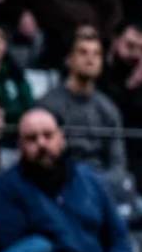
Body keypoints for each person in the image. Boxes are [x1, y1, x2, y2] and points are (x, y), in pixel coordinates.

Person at [0, 108, 133, 252]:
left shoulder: (91, 181)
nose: (42, 144)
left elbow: (119, 239)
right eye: (32, 139)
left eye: (48, 135)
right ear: (20, 146)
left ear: (62, 138)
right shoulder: (5, 189)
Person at [36, 29, 126, 174]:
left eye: (97, 54)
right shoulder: (48, 106)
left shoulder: (108, 108)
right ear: (69, 59)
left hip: (99, 184)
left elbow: (117, 164)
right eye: (83, 52)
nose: (90, 59)